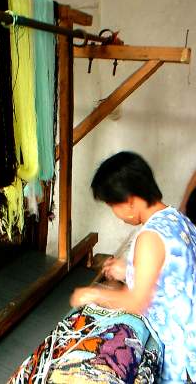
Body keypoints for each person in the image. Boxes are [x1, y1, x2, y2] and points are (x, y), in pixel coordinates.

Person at [70, 151, 196, 383]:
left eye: (112, 206)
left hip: (184, 352)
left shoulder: (149, 237)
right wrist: (128, 270)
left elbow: (137, 301)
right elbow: (170, 275)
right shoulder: (177, 218)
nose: (115, 214)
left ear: (129, 202)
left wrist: (93, 294)